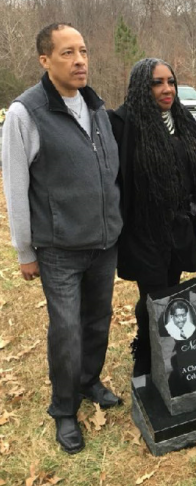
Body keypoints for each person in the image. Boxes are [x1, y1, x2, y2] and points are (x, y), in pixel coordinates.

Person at [2, 23, 123, 454]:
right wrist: (25, 251)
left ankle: (90, 380)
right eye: (68, 53)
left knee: (98, 320)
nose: (80, 61)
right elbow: (15, 187)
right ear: (44, 60)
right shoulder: (25, 113)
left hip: (103, 242)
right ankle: (65, 409)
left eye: (84, 51)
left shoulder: (96, 107)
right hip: (58, 249)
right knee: (66, 330)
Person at [108, 58, 196, 377]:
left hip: (179, 226)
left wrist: (194, 207)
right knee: (151, 297)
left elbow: (193, 171)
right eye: (157, 83)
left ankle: (168, 348)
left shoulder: (183, 121)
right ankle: (145, 352)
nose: (167, 89)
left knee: (171, 291)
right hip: (144, 231)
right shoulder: (123, 124)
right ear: (141, 87)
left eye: (171, 82)